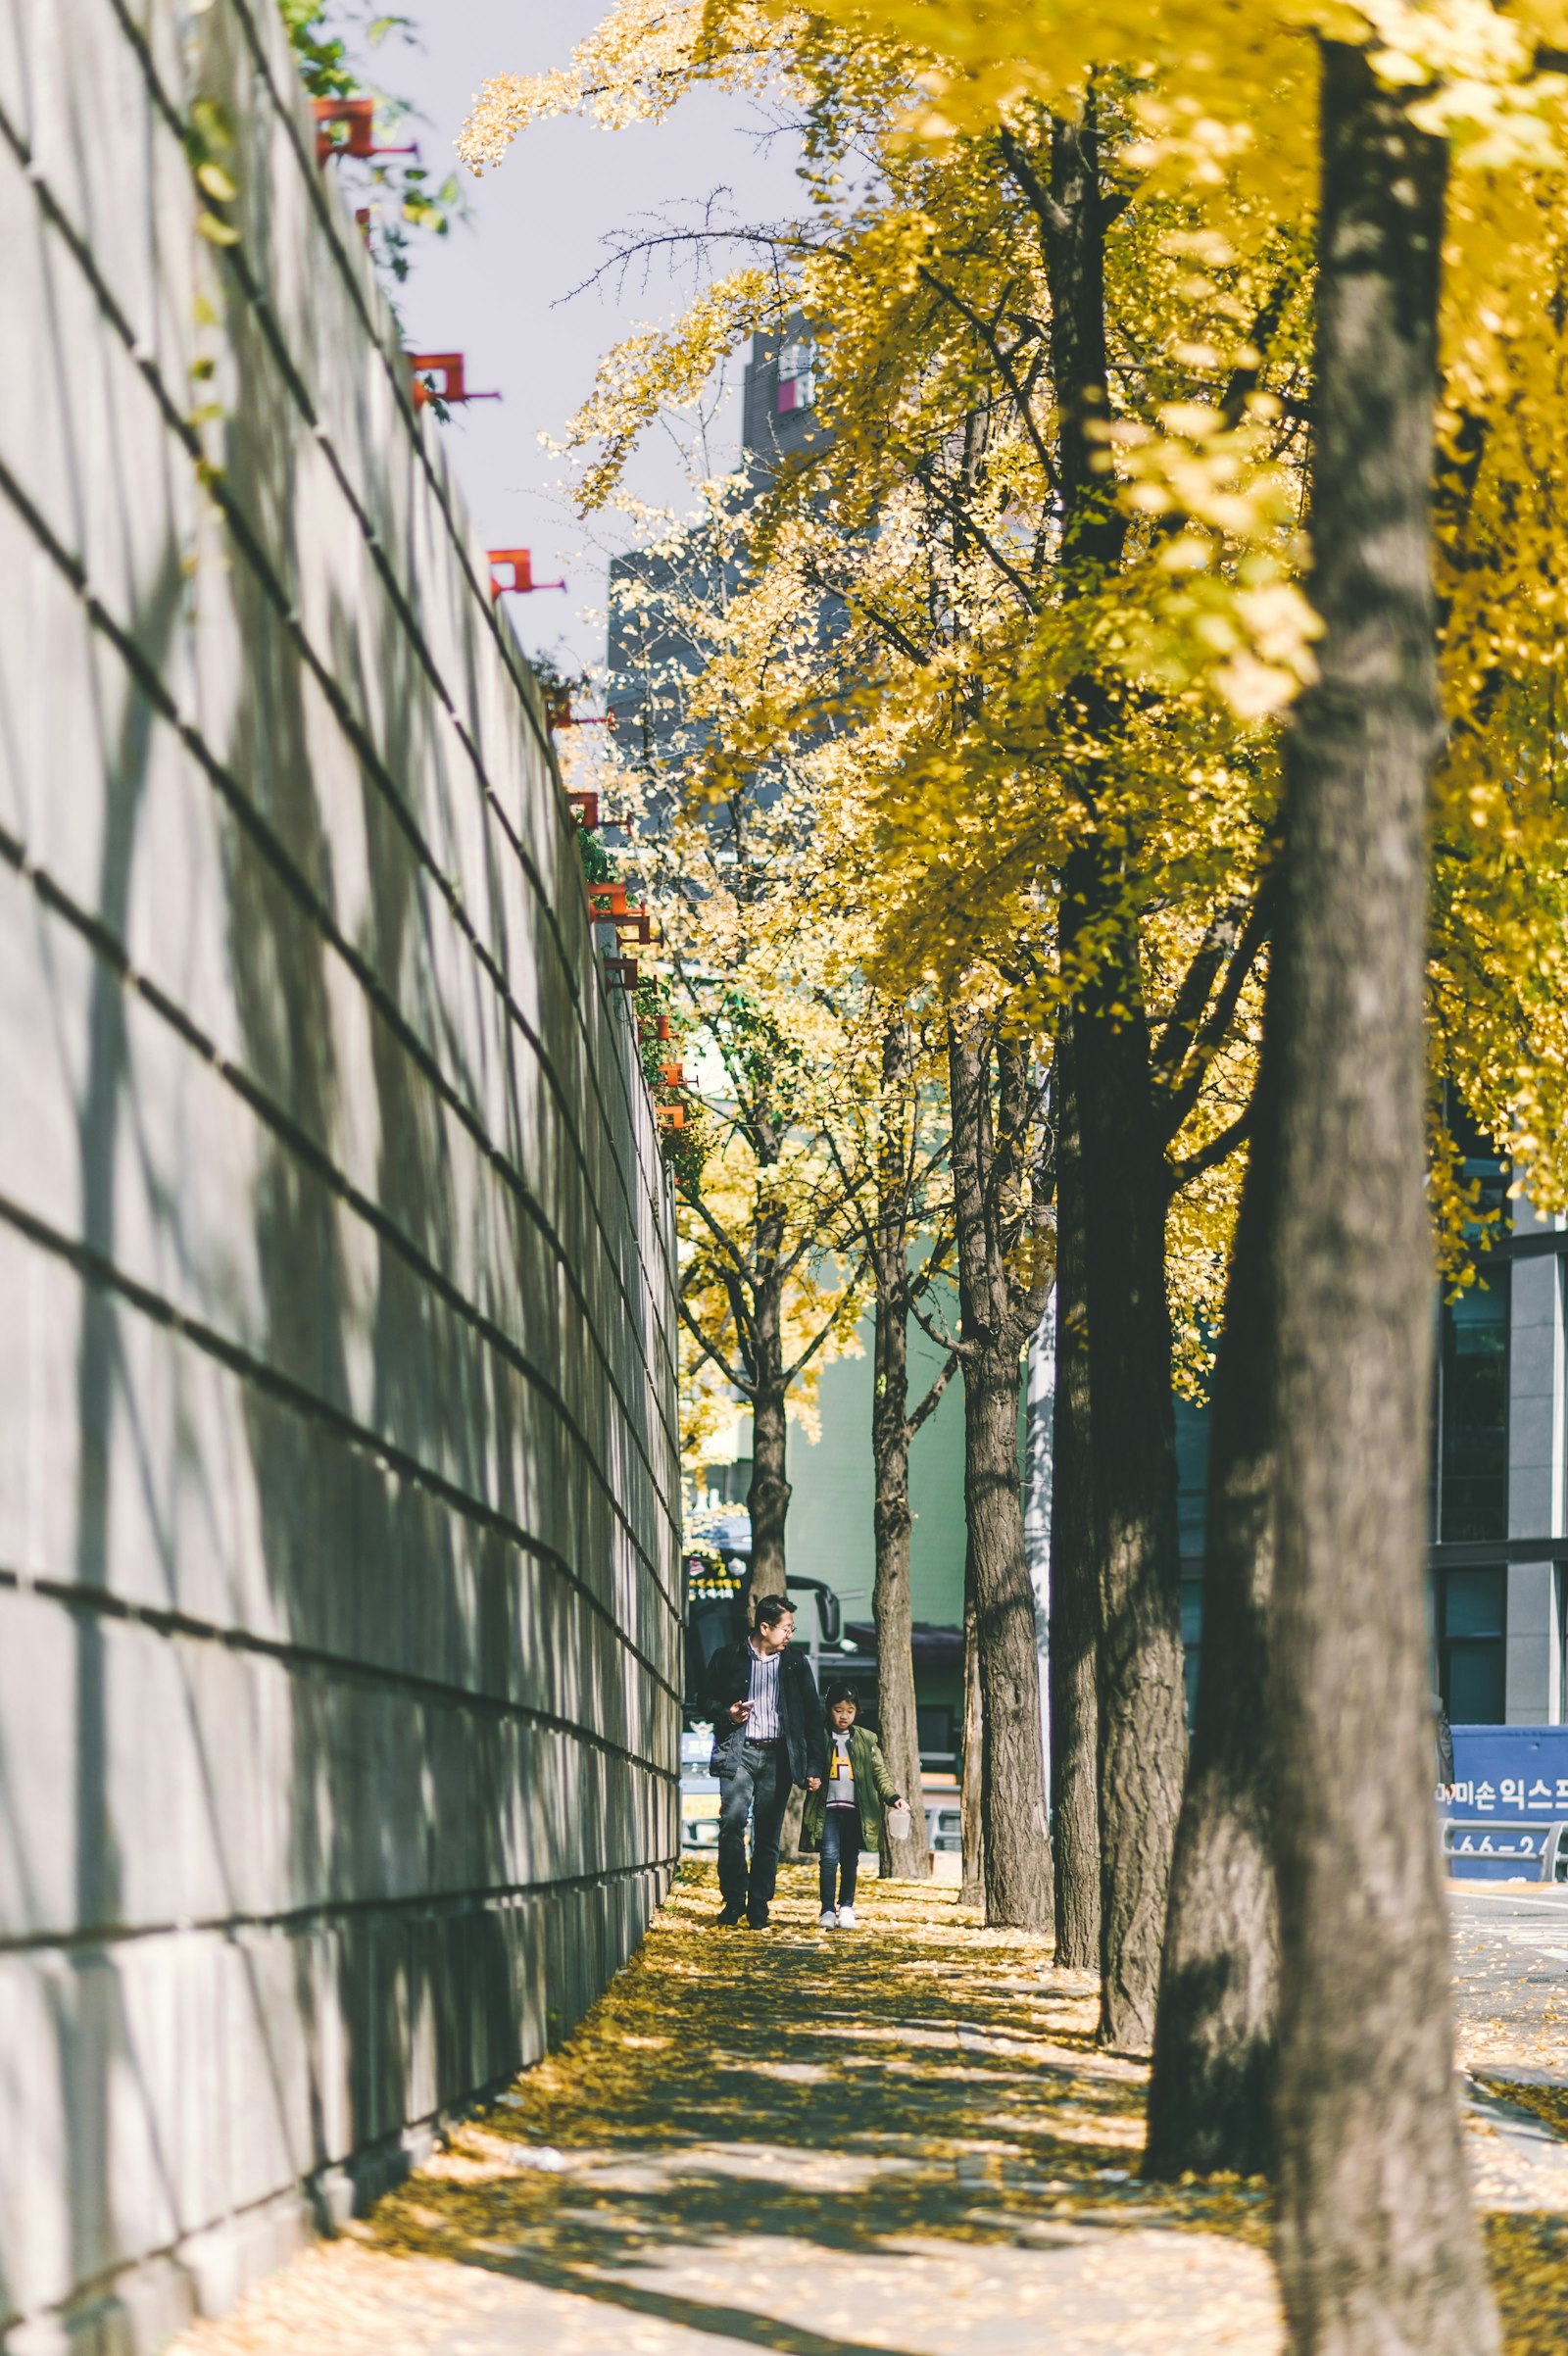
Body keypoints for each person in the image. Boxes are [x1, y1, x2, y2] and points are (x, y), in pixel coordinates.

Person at [701, 1595, 825, 1928]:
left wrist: (814, 1766)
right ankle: (733, 1900)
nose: (790, 1635)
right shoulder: (729, 1657)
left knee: (768, 1835)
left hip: (778, 1756)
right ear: (764, 1627)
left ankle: (758, 1906)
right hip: (738, 1751)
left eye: (791, 1628)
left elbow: (813, 1715)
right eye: (786, 1628)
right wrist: (727, 1712)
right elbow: (703, 1699)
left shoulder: (796, 1663)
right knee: (731, 1823)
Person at [801, 1682, 902, 1929]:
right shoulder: (819, 1736)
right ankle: (826, 1909)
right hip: (828, 1810)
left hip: (855, 1811)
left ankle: (846, 1907)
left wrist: (893, 1797)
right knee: (828, 1859)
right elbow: (806, 1765)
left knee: (849, 1860)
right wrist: (807, 1779)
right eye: (838, 1709)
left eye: (849, 1710)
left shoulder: (866, 1739)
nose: (843, 1715)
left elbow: (880, 1774)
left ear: (856, 1711)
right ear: (828, 1709)